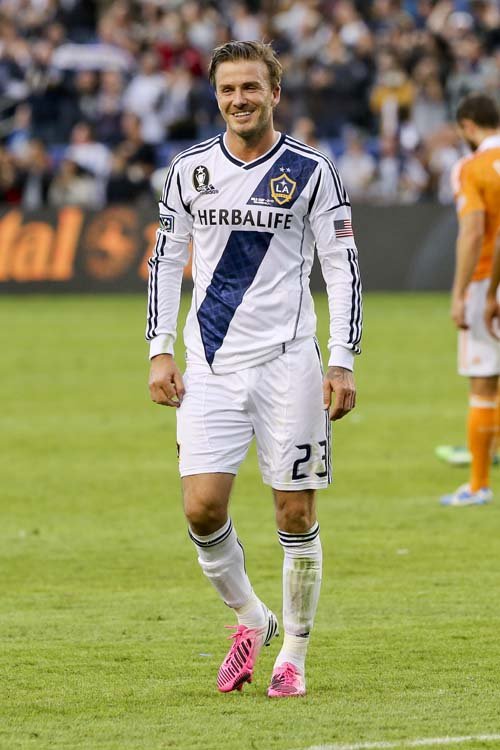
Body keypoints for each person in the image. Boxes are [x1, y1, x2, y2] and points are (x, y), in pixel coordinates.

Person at [146, 41, 362, 697]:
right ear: (216, 96)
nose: (239, 100)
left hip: (288, 363)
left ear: (274, 93)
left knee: (294, 513)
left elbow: (342, 268)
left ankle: (293, 652)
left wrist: (341, 360)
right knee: (201, 509)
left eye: (250, 88)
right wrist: (160, 349)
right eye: (228, 89)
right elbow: (166, 262)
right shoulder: (188, 170)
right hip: (210, 365)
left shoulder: (312, 171)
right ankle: (251, 617)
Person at [440, 92, 500, 507]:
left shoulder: (472, 167)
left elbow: (474, 231)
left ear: (467, 126)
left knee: (483, 381)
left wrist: (460, 292)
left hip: (487, 280)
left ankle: (478, 486)